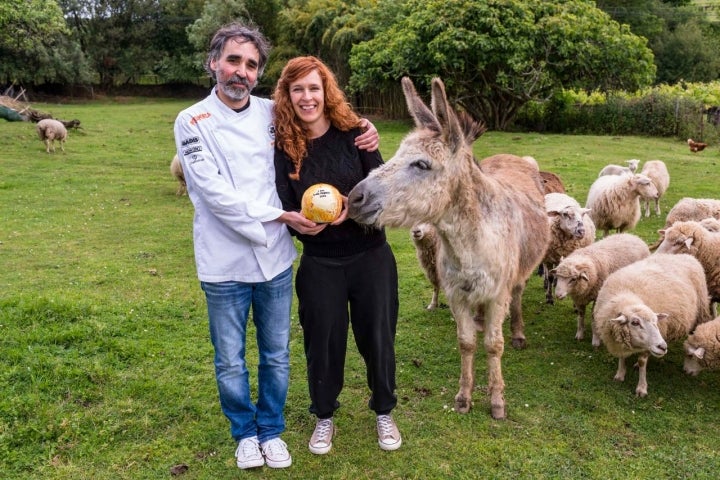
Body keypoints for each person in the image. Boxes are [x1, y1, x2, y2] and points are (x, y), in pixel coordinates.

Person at [173, 24, 379, 470]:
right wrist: (281, 216)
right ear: (214, 63)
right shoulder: (191, 121)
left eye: (250, 64)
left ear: (258, 73)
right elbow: (213, 194)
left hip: (274, 260)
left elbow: (323, 117)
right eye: (232, 60)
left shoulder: (272, 111)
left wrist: (366, 131)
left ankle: (271, 430)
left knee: (276, 354)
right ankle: (245, 434)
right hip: (224, 260)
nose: (240, 72)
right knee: (230, 360)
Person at [273, 56, 402, 455]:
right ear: (287, 96)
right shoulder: (283, 144)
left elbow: (383, 192)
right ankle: (324, 417)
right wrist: (295, 222)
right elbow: (281, 197)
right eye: (298, 89)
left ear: (326, 90)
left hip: (370, 256)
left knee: (378, 338)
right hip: (320, 262)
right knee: (323, 344)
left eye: (314, 87)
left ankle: (384, 410)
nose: (307, 97)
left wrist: (353, 204)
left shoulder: (357, 132)